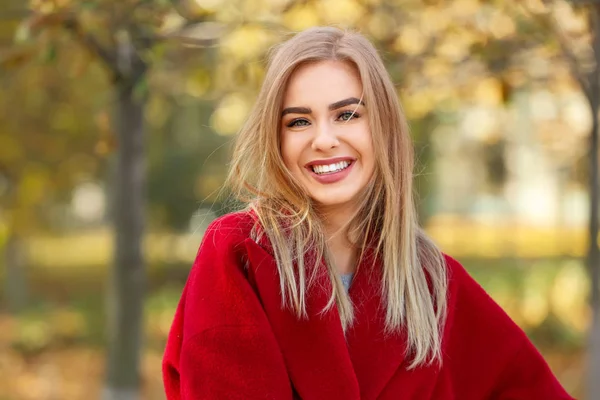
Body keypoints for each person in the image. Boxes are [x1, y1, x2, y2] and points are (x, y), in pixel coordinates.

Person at [162, 27, 573, 400]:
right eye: (299, 121)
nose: (324, 140)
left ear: (383, 127)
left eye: (347, 115)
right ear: (276, 139)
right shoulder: (239, 252)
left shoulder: (431, 282)